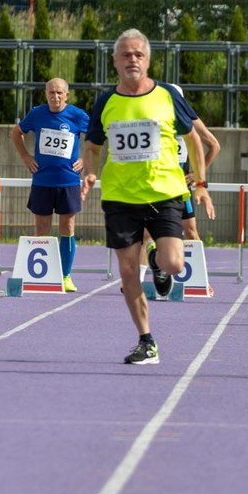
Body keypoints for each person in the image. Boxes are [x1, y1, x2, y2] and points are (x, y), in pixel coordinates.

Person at [83, 29, 198, 367]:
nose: (132, 59)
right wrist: (89, 171)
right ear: (115, 61)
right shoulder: (105, 102)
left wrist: (201, 182)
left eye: (138, 55)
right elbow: (92, 147)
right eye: (126, 55)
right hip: (120, 197)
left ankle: (158, 257)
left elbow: (194, 140)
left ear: (147, 60)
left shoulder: (166, 95)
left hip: (164, 193)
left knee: (175, 263)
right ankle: (146, 340)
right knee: (128, 273)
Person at [11, 76, 91, 292]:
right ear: (46, 95)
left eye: (59, 93)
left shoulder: (77, 115)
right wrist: (26, 156)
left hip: (68, 181)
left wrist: (86, 160)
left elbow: (97, 138)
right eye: (51, 93)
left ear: (67, 95)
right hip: (43, 180)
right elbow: (16, 132)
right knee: (42, 228)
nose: (55, 97)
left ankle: (65, 276)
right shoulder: (37, 113)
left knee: (68, 227)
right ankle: (42, 277)